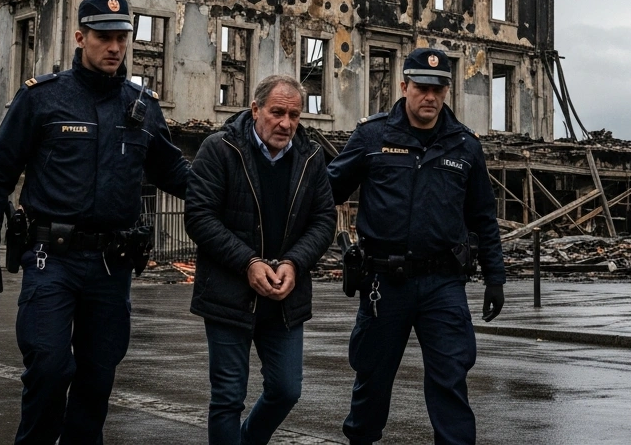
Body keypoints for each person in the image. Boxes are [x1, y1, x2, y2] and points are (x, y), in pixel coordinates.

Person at [0, 0, 193, 445]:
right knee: (49, 367)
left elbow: (179, 175)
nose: (114, 47)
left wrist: (237, 181)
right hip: (53, 258)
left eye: (122, 38)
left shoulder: (142, 107)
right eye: (103, 37)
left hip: (112, 265)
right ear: (80, 37)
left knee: (96, 377)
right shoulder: (43, 99)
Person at [327, 47, 505, 445]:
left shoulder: (464, 145)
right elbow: (325, 191)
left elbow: (482, 216)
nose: (431, 97)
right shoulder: (372, 136)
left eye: (439, 89)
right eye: (423, 87)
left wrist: (496, 277)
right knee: (373, 377)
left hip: (443, 283)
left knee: (450, 378)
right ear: (404, 86)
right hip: (384, 284)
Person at [183, 75, 336, 445]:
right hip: (228, 294)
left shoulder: (311, 158)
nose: (286, 123)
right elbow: (199, 216)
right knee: (227, 398)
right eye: (277, 112)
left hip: (285, 296)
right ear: (255, 109)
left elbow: (324, 219)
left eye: (295, 115)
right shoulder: (219, 149)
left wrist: (294, 263)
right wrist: (248, 262)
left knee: (287, 389)